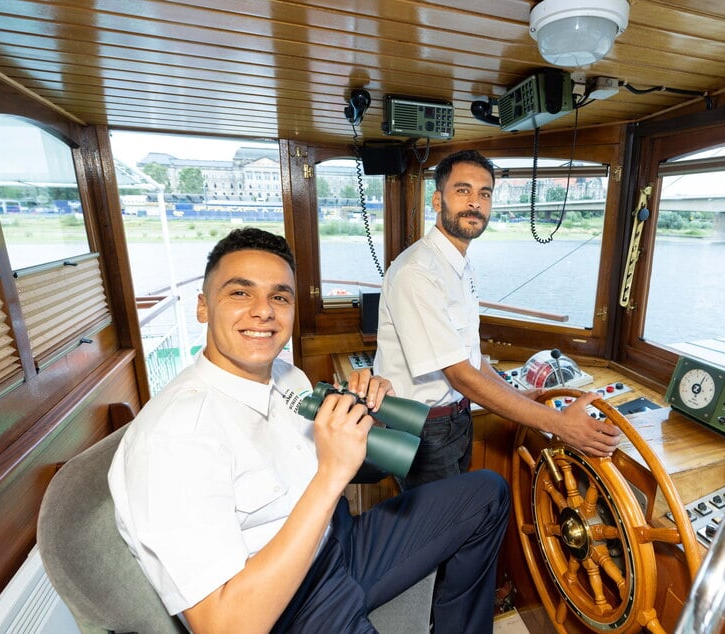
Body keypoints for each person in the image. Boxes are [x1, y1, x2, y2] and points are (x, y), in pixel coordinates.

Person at [108, 227, 509, 633]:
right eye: (240, 293)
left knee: (487, 493)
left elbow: (353, 469)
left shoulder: (288, 377)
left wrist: (367, 420)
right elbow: (224, 626)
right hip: (289, 605)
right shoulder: (173, 438)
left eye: (279, 296)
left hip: (342, 542)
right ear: (203, 307)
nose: (264, 311)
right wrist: (330, 474)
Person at [374, 149, 623, 489]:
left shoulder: (457, 265)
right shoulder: (418, 272)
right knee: (437, 537)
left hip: (456, 419)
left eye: (484, 193)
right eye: (463, 190)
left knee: (451, 527)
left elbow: (471, 359)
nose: (474, 202)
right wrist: (561, 425)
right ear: (436, 200)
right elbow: (461, 376)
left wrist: (521, 397)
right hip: (423, 430)